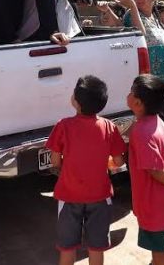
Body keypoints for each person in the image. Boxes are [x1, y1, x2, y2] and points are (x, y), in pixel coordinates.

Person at [45, 75, 126, 265]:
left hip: (68, 194)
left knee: (67, 248)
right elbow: (119, 161)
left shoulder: (63, 125)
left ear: (76, 101)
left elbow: (55, 162)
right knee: (96, 248)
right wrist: (101, 164)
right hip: (100, 196)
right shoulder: (109, 127)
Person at [127, 74, 164, 265]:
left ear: (137, 103)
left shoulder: (141, 132)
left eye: (131, 91)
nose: (128, 94)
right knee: (159, 242)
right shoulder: (157, 122)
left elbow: (154, 170)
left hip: (152, 202)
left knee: (159, 248)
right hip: (162, 200)